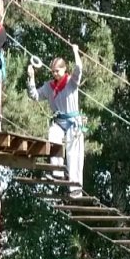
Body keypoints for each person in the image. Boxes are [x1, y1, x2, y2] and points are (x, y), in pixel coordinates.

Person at [27, 43, 85, 197]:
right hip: (59, 121)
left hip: (73, 122)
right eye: (53, 72)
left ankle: (75, 188)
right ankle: (57, 171)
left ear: (64, 69)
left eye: (58, 71)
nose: (55, 74)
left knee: (73, 154)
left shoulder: (72, 82)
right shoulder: (49, 86)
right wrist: (31, 78)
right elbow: (35, 96)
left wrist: (75, 52)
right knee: (53, 135)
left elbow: (79, 68)